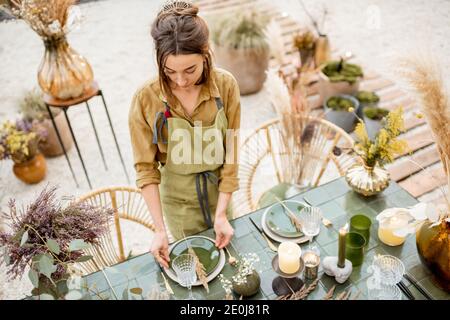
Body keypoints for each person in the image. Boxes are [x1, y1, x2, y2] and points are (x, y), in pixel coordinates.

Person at [128, 0, 240, 269]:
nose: (180, 80)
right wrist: (159, 229)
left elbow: (232, 151)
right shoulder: (146, 99)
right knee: (196, 269)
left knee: (231, 263)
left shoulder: (225, 86)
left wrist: (222, 212)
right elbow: (146, 169)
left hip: (219, 195)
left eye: (190, 69)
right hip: (178, 203)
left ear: (206, 53)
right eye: (170, 71)